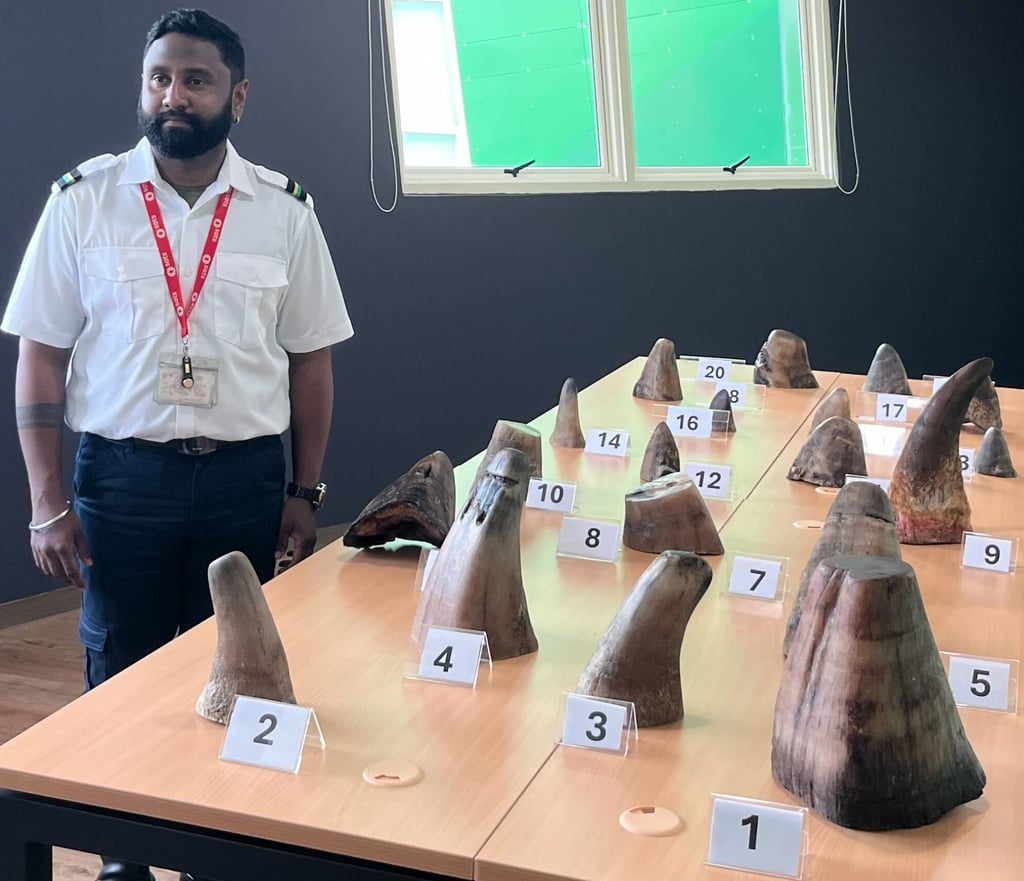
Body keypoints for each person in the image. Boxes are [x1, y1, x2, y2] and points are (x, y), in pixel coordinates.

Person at [1, 9, 353, 881]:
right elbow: (40, 354)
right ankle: (124, 857)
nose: (173, 95)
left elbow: (311, 360)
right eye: (159, 78)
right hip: (122, 479)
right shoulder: (83, 199)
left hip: (243, 478)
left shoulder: (284, 210)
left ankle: (212, 852)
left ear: (238, 96)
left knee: (235, 666)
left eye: (196, 80)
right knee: (119, 665)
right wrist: (46, 501)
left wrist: (304, 492)